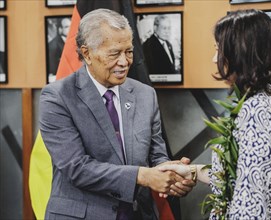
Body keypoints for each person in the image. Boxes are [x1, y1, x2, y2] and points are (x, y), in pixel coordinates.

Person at [39, 9, 194, 220]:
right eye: (114, 53)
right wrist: (142, 176)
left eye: (129, 52)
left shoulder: (145, 94)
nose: (124, 62)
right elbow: (77, 168)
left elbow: (157, 156)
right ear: (87, 53)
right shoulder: (57, 97)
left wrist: (173, 176)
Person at [159, 9, 271, 220]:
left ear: (240, 53)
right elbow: (239, 178)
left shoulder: (255, 110)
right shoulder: (266, 100)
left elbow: (250, 201)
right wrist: (193, 172)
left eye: (219, 50)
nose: (215, 59)